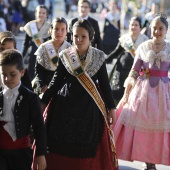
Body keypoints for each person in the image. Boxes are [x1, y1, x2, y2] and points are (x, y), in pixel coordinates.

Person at [41, 19, 118, 170]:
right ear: (71, 36)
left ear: (90, 37)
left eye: (83, 36)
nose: (79, 40)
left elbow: (104, 84)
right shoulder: (66, 55)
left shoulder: (99, 56)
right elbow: (56, 81)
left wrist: (111, 107)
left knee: (88, 146)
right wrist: (43, 101)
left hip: (90, 107)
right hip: (65, 105)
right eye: (76, 36)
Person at [114, 12, 170, 170]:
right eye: (154, 28)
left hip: (164, 92)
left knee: (161, 127)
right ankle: (148, 162)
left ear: (166, 30)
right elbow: (134, 69)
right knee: (143, 127)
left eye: (161, 28)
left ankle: (155, 159)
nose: (157, 31)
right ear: (149, 29)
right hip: (144, 91)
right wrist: (131, 80)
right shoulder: (143, 47)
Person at [0, 49, 47, 170]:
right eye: (3, 75)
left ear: (22, 72)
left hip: (21, 153)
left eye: (12, 74)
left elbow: (39, 127)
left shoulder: (30, 98)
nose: (7, 79)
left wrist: (41, 154)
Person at [106, 17, 148, 105]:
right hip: (121, 71)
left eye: (136, 25)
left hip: (137, 72)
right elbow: (116, 53)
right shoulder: (125, 38)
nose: (133, 27)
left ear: (140, 27)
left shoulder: (145, 40)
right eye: (131, 25)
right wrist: (104, 60)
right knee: (118, 95)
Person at [33, 17, 71, 95]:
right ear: (50, 30)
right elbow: (38, 71)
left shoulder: (70, 49)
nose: (59, 32)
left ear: (66, 31)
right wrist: (43, 87)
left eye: (62, 29)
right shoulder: (43, 48)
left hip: (63, 89)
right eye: (56, 29)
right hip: (44, 86)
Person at [21, 5, 51, 81]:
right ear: (35, 13)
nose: (41, 15)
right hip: (31, 56)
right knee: (29, 77)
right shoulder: (30, 26)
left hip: (44, 56)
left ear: (46, 15)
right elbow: (26, 43)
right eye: (39, 12)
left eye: (43, 13)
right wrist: (22, 56)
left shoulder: (50, 27)